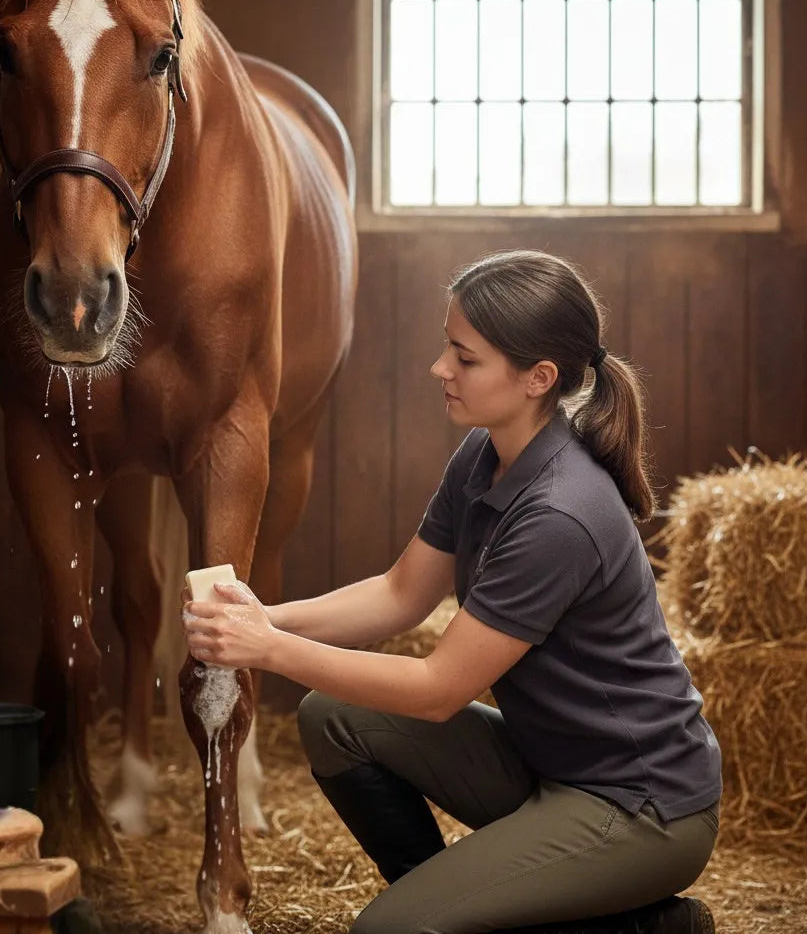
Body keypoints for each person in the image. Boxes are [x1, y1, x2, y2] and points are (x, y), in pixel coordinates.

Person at [182, 249, 721, 934]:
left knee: (386, 931)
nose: (441, 368)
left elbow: (439, 689)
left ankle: (642, 926)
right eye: (448, 347)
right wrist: (265, 618)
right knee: (334, 717)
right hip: (549, 763)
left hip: (642, 807)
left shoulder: (560, 512)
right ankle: (456, 906)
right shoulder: (488, 451)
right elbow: (400, 593)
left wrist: (267, 650)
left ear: (538, 378)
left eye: (465, 359)